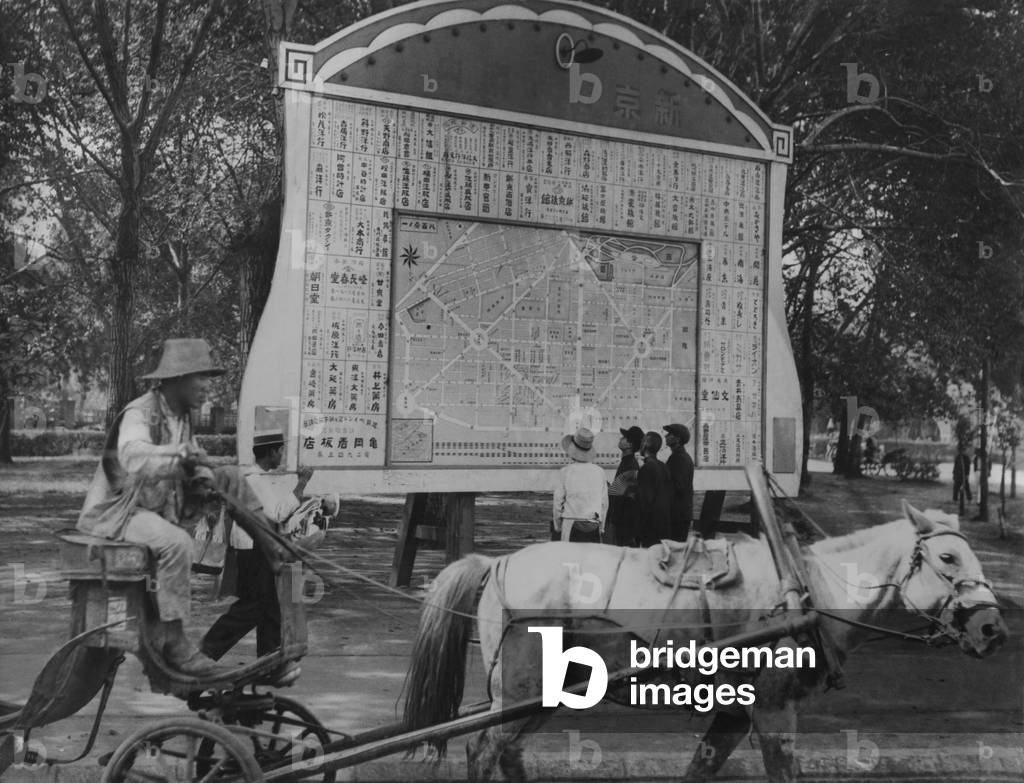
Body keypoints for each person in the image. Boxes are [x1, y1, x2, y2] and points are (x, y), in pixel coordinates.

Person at [78, 338, 226, 675]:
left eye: (208, 379)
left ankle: (165, 632)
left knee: (220, 490)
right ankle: (174, 642)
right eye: (200, 377)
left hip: (149, 511)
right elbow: (133, 454)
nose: (206, 387)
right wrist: (180, 457)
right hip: (117, 512)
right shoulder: (139, 412)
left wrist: (204, 476)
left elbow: (193, 453)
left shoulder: (182, 417)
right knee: (176, 543)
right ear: (175, 379)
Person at [200, 429, 333, 684]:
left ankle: (269, 658)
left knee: (270, 603)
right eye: (280, 451)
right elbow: (277, 513)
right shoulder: (256, 481)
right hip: (255, 548)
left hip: (254, 547)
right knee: (253, 606)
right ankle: (208, 650)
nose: (281, 456)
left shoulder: (257, 478)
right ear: (271, 452)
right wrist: (302, 484)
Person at [552, 427, 608, 543]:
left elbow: (558, 502)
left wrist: (557, 526)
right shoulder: (599, 472)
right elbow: (604, 504)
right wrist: (601, 527)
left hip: (571, 522)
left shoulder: (566, 471)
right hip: (593, 523)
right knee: (591, 559)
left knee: (570, 559)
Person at [606, 426, 643, 546]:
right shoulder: (628, 462)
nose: (621, 439)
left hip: (623, 524)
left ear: (630, 445)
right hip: (624, 522)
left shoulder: (629, 464)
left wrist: (613, 523)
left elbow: (623, 497)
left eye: (624, 438)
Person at [635, 431, 671, 547]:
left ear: (644, 445)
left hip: (650, 527)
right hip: (664, 524)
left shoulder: (646, 468)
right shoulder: (663, 466)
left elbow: (644, 502)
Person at [663, 423, 695, 540]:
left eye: (670, 434)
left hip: (677, 515)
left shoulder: (678, 458)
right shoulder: (680, 456)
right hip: (680, 514)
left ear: (678, 439)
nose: (666, 436)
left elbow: (678, 486)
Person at [953, 445, 972, 514]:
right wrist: (954, 474)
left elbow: (968, 467)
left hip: (964, 475)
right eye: (960, 450)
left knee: (966, 487)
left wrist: (967, 475)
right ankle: (955, 499)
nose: (961, 452)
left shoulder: (966, 458)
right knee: (956, 487)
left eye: (963, 450)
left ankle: (969, 499)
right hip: (958, 475)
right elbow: (955, 466)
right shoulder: (957, 457)